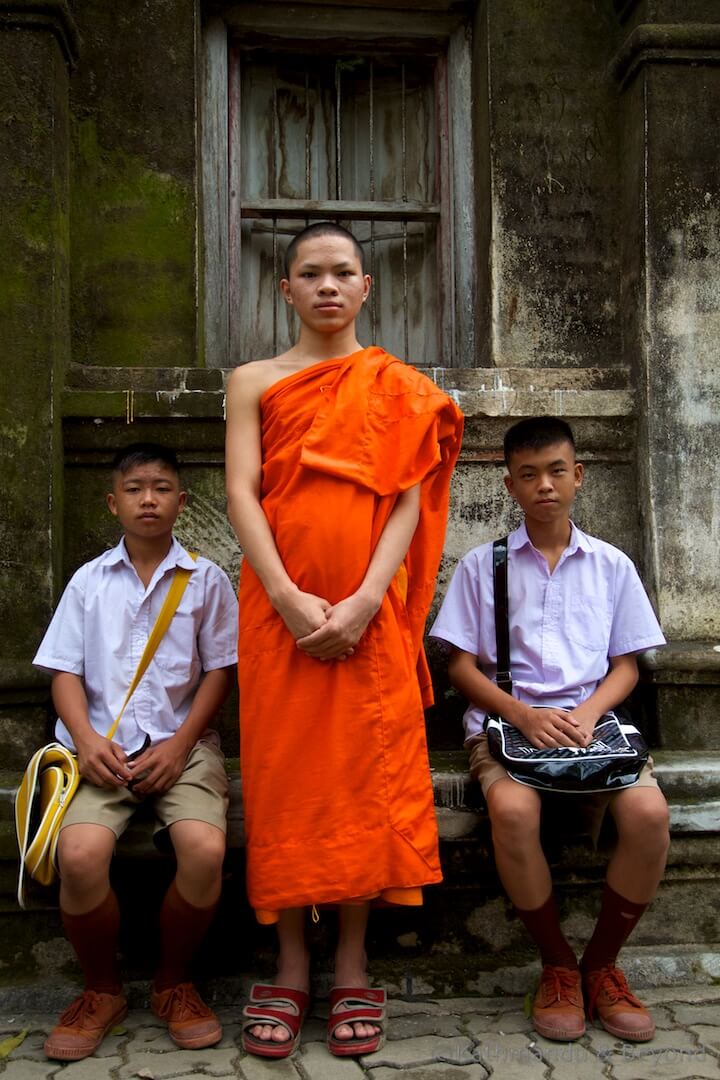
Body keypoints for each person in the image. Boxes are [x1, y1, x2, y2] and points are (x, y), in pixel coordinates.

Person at [225, 222, 463, 1058]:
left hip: (371, 615)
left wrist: (363, 602)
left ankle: (354, 960)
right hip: (277, 616)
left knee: (365, 781)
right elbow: (243, 494)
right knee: (289, 783)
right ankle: (291, 963)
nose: (328, 287)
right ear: (284, 291)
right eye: (310, 274)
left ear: (367, 288)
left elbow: (408, 500)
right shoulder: (253, 382)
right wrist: (289, 599)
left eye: (343, 273)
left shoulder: (396, 386)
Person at [430, 416, 669, 1044]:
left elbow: (626, 667)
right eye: (529, 475)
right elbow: (460, 666)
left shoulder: (611, 565)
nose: (545, 485)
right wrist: (523, 714)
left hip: (594, 725)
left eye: (557, 471)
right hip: (506, 726)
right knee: (511, 812)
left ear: (578, 476)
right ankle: (557, 963)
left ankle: (602, 966)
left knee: (649, 816)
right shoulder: (484, 567)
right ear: (510, 485)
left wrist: (589, 714)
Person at [33, 443, 238, 1061]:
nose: (148, 499)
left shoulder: (207, 579)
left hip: (183, 745)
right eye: (134, 489)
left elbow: (219, 672)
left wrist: (180, 747)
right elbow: (64, 672)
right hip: (101, 750)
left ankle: (174, 982)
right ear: (112, 501)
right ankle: (101, 990)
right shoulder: (88, 582)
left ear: (183, 500)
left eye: (161, 487)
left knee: (204, 850)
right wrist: (88, 742)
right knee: (80, 853)